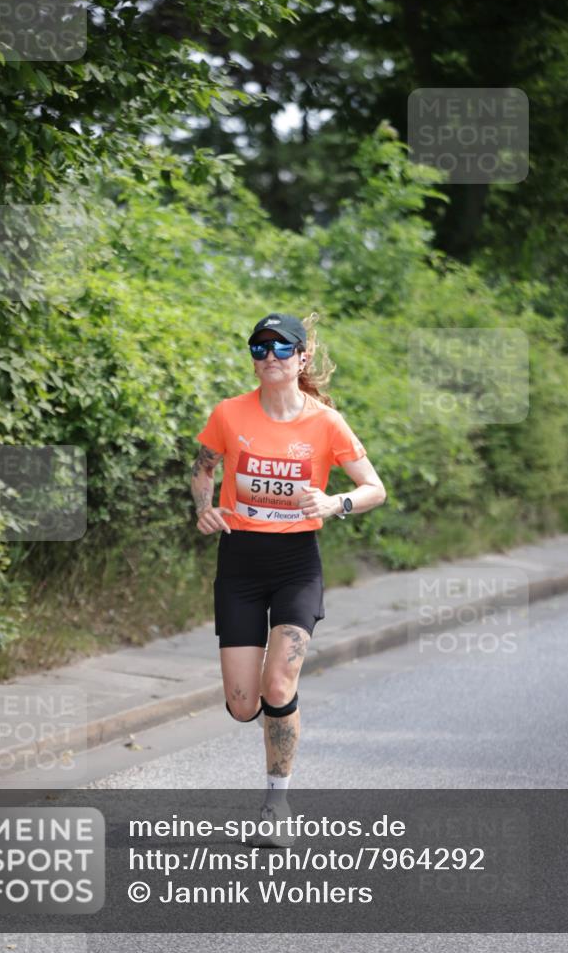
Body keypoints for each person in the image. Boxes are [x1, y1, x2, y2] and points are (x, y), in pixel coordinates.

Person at [190, 312, 386, 845]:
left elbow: (375, 488)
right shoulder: (229, 415)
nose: (269, 357)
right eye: (260, 348)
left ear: (301, 359)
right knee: (242, 703)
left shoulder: (325, 421)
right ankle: (265, 752)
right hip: (240, 563)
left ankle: (277, 803)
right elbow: (203, 468)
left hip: (297, 564)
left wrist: (334, 502)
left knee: (279, 683)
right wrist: (205, 509)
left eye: (282, 349)